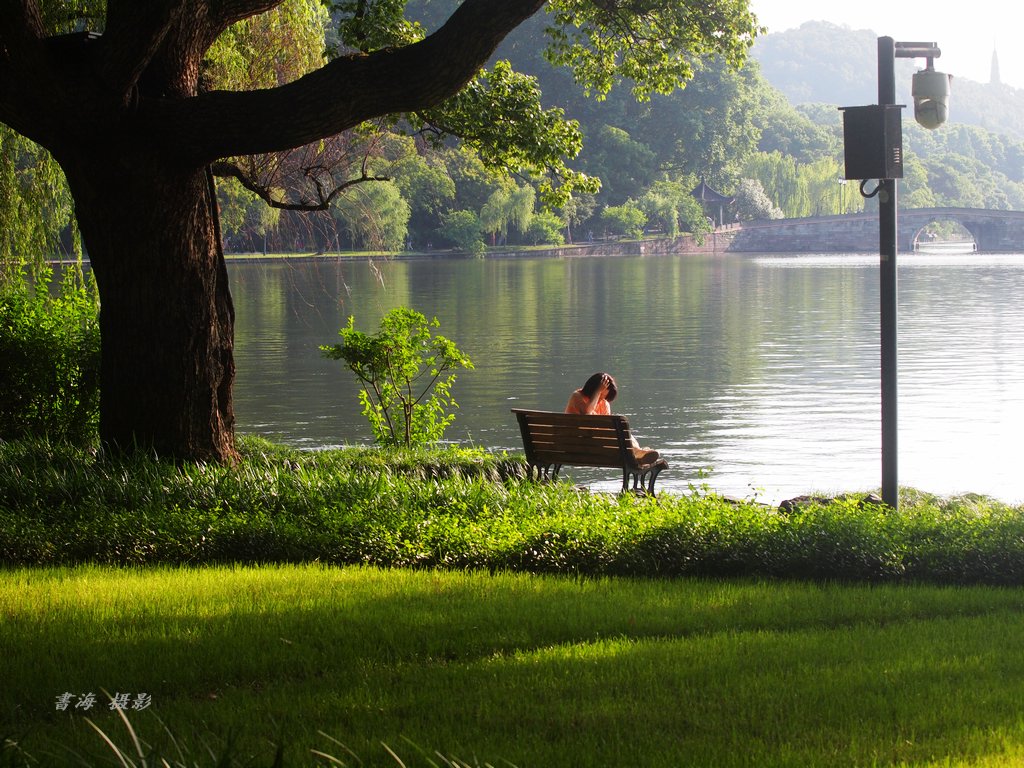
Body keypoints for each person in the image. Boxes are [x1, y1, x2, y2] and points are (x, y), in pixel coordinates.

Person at [565, 372, 660, 464]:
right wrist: (598, 391)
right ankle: (640, 453)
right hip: (578, 445)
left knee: (622, 431)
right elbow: (587, 413)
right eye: (600, 395)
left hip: (594, 445)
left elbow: (606, 429)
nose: (601, 399)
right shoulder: (577, 396)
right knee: (621, 432)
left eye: (603, 396)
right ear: (593, 389)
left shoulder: (604, 403)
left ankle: (640, 453)